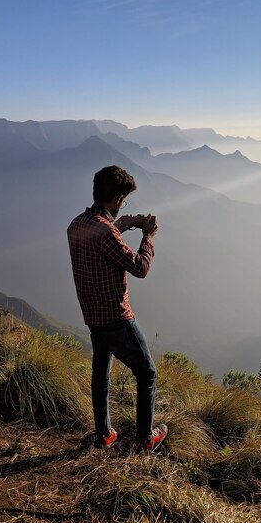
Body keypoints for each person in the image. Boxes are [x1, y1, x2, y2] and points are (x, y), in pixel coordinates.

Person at [67, 165, 168, 451]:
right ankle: (146, 439)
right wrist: (148, 236)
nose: (124, 204)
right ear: (116, 199)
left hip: (92, 316)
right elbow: (140, 267)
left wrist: (121, 224)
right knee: (147, 373)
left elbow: (100, 244)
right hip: (117, 317)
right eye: (123, 199)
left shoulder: (76, 225)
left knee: (101, 373)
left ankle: (104, 433)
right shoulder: (105, 233)